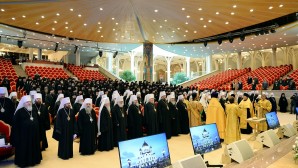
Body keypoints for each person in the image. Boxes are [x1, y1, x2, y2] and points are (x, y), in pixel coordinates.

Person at [11, 95, 42, 167]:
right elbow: (15, 127)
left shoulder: (34, 110)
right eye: (27, 102)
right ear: (23, 103)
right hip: (23, 137)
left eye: (30, 102)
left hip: (34, 135)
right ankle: (24, 162)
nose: (29, 103)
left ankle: (34, 160)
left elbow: (39, 123)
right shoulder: (19, 112)